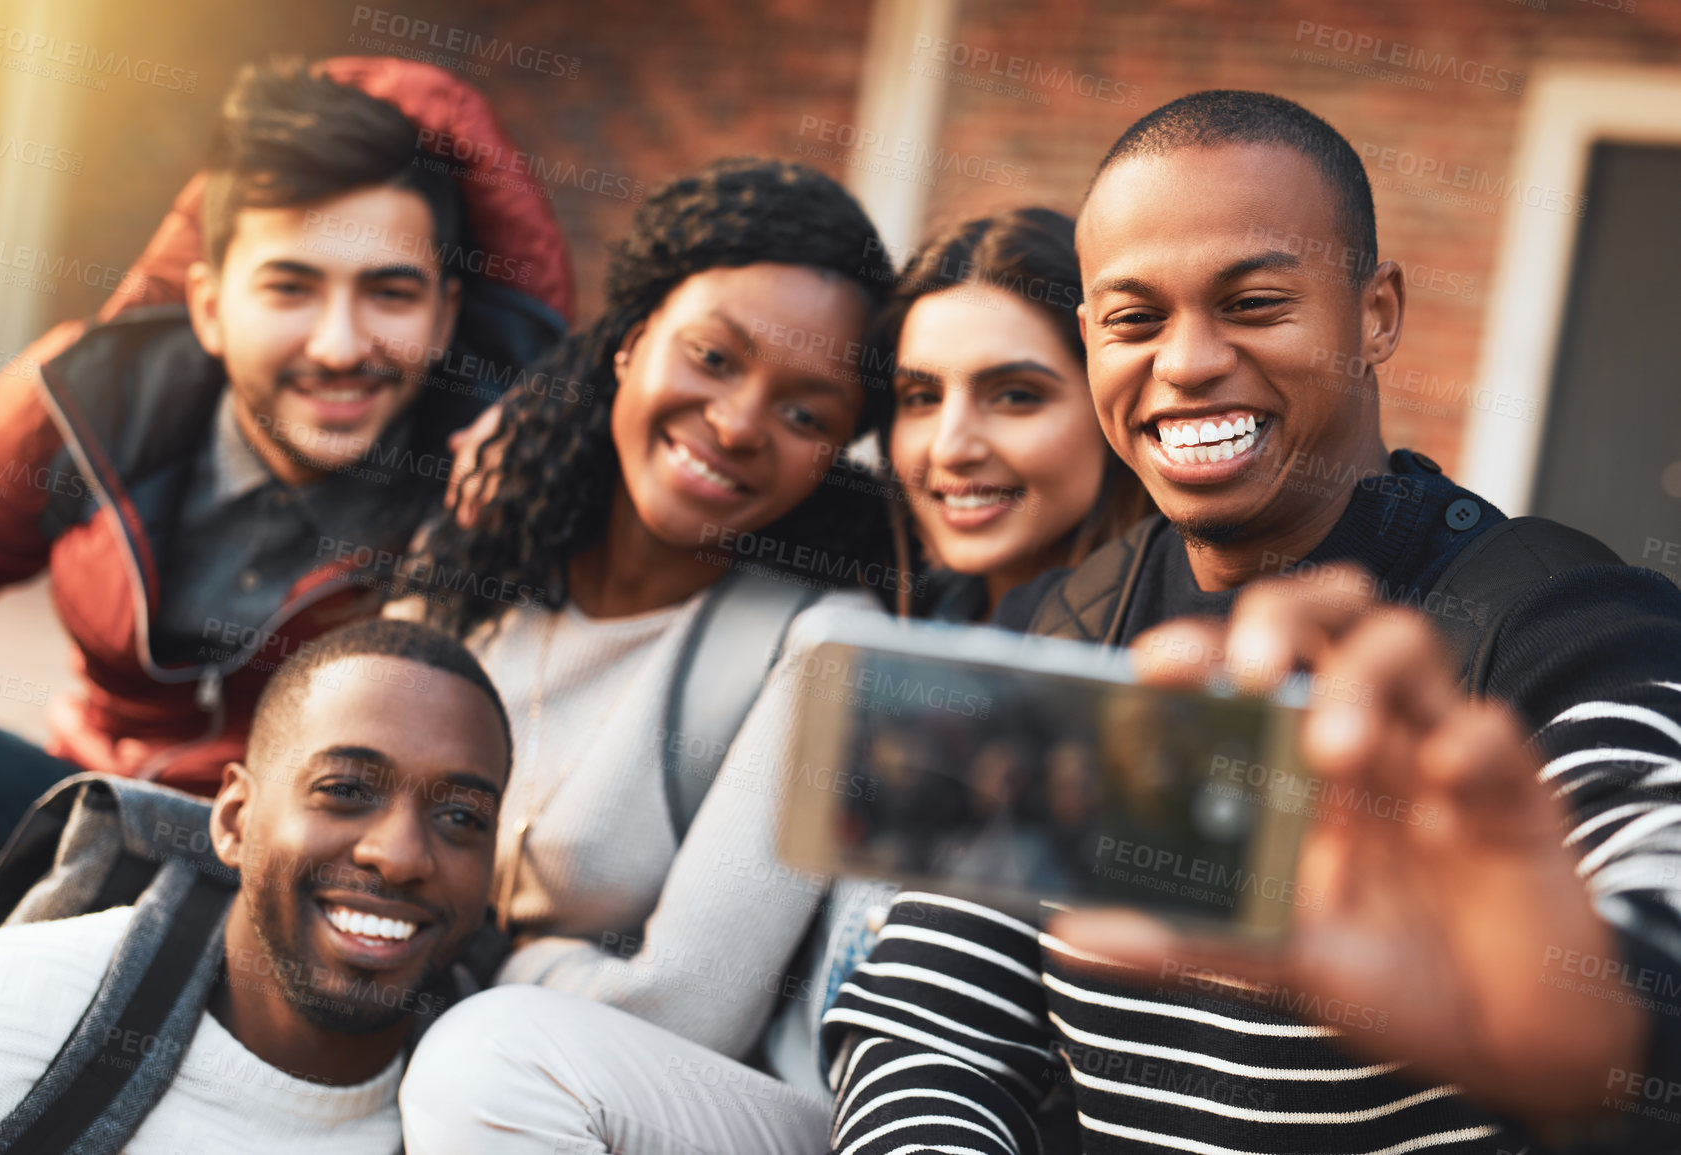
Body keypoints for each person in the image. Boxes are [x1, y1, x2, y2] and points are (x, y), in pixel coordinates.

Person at [821, 90, 1681, 1155]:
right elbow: (930, 1028)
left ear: (1377, 315)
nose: (1184, 362)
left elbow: (1656, 907)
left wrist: (1600, 1019)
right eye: (1134, 321)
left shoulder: (1561, 622)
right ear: (1093, 340)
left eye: (1255, 303)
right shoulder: (1072, 626)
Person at [0, 56, 570, 888]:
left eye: (389, 294)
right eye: (290, 288)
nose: (340, 346)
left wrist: (524, 475)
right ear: (210, 305)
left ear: (444, 313)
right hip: (83, 809)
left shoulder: (495, 492)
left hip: (297, 891)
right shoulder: (83, 401)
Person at [395, 158, 901, 1151]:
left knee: (491, 1057)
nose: (740, 422)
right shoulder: (485, 554)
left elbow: (684, 1011)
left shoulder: (822, 646)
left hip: (690, 1106)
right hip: (455, 1064)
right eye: (714, 357)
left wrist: (462, 951)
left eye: (807, 414)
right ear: (632, 344)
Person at [0, 618, 512, 1153]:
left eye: (461, 818)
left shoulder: (507, 1122)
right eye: (344, 790)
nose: (398, 856)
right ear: (234, 820)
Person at [877, 208, 1147, 620]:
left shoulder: (1198, 656)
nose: (951, 449)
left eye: (1015, 396)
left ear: (1111, 402)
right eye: (921, 398)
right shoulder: (884, 629)